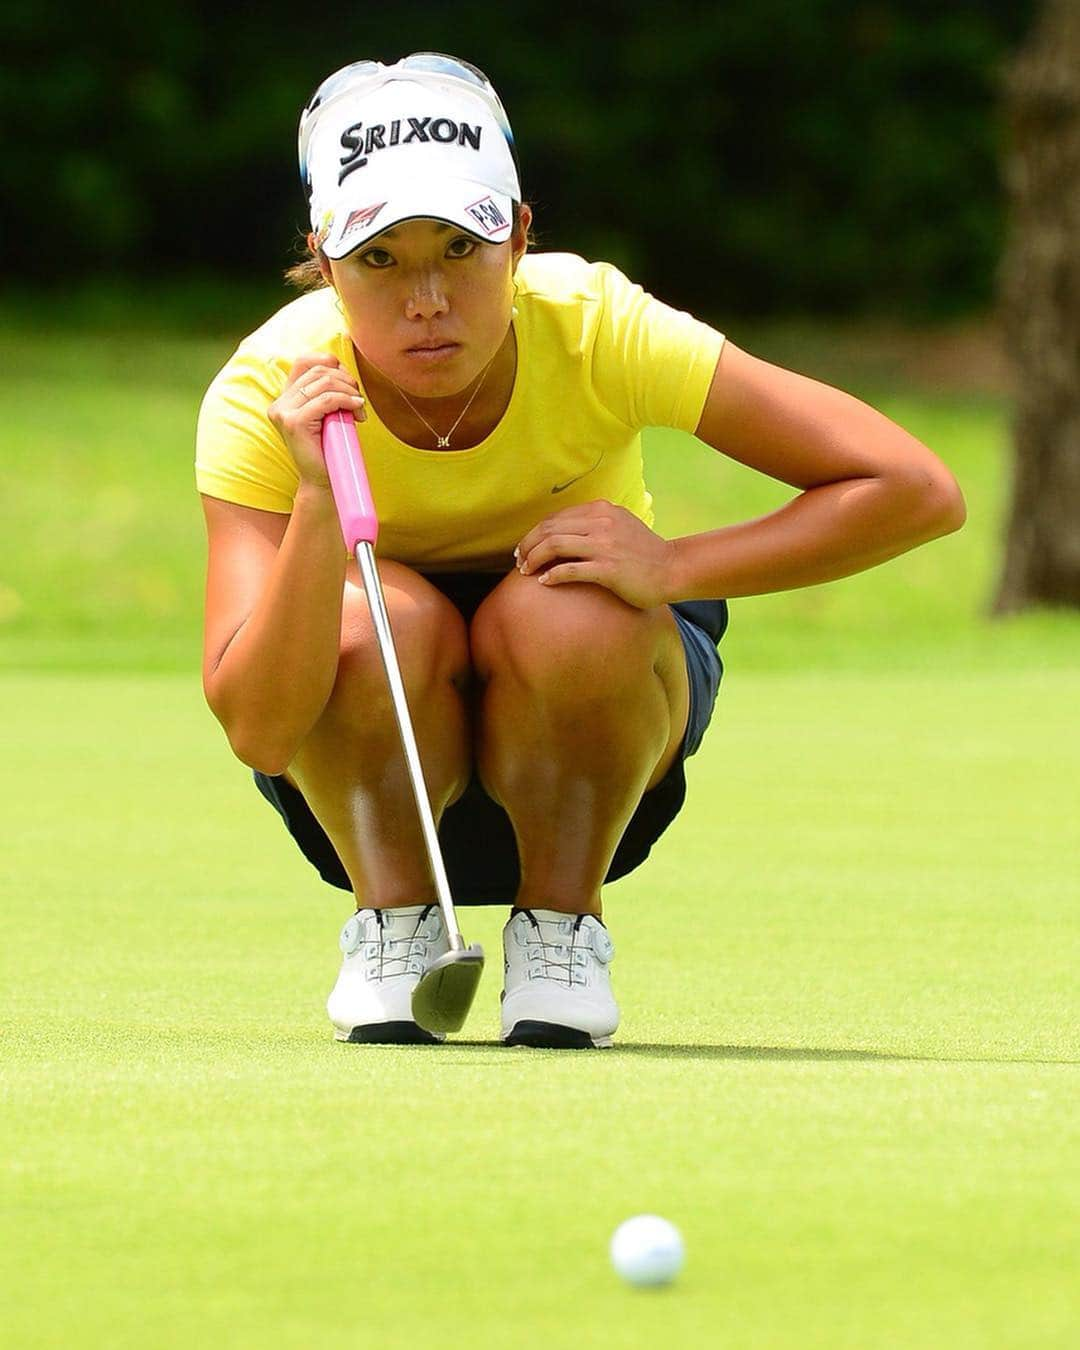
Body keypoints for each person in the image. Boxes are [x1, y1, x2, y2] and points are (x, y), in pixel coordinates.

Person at [195, 53, 966, 1050]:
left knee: (570, 606)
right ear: (324, 258)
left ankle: (561, 926)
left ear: (517, 236)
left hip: (593, 728)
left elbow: (913, 489)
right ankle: (393, 926)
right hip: (366, 761)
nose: (425, 298)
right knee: (369, 612)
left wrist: (678, 566)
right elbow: (259, 729)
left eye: (459, 250)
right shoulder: (270, 390)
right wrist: (312, 496)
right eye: (380, 257)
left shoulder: (599, 330)